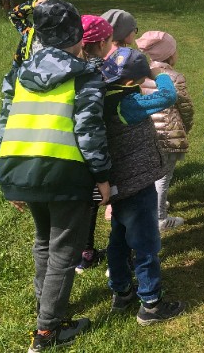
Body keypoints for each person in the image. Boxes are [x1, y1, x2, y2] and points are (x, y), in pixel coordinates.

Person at [0, 0, 111, 352]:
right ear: (77, 36)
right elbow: (89, 130)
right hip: (65, 172)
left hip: (20, 167)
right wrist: (102, 175)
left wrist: (6, 176)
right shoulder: (85, 74)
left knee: (43, 241)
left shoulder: (19, 72)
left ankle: (44, 307)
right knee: (63, 250)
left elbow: (4, 123)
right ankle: (48, 331)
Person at [100, 47, 187, 325]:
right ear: (131, 81)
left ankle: (122, 291)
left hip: (118, 184)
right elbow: (168, 96)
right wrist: (158, 74)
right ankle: (150, 304)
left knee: (118, 240)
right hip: (138, 185)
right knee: (146, 244)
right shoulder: (128, 104)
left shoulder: (104, 96)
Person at [137, 30, 194, 232]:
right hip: (169, 135)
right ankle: (160, 218)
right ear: (170, 54)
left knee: (152, 174)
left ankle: (155, 206)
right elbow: (186, 107)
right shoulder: (175, 77)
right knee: (163, 177)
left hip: (146, 134)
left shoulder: (140, 76)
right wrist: (186, 126)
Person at [75, 14, 115, 273]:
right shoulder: (106, 71)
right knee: (113, 198)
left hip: (76, 150)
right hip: (104, 146)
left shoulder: (72, 70)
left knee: (88, 205)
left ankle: (85, 252)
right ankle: (119, 255)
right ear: (102, 44)